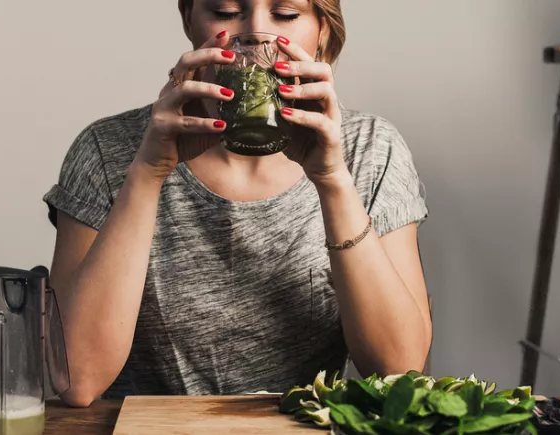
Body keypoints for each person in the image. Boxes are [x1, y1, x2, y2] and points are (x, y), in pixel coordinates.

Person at [43, 0, 432, 407]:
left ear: (323, 32)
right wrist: (148, 172)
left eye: (285, 14)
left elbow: (398, 369)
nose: (252, 32)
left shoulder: (370, 149)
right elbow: (77, 380)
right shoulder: (108, 150)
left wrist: (333, 181)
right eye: (226, 11)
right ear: (189, 20)